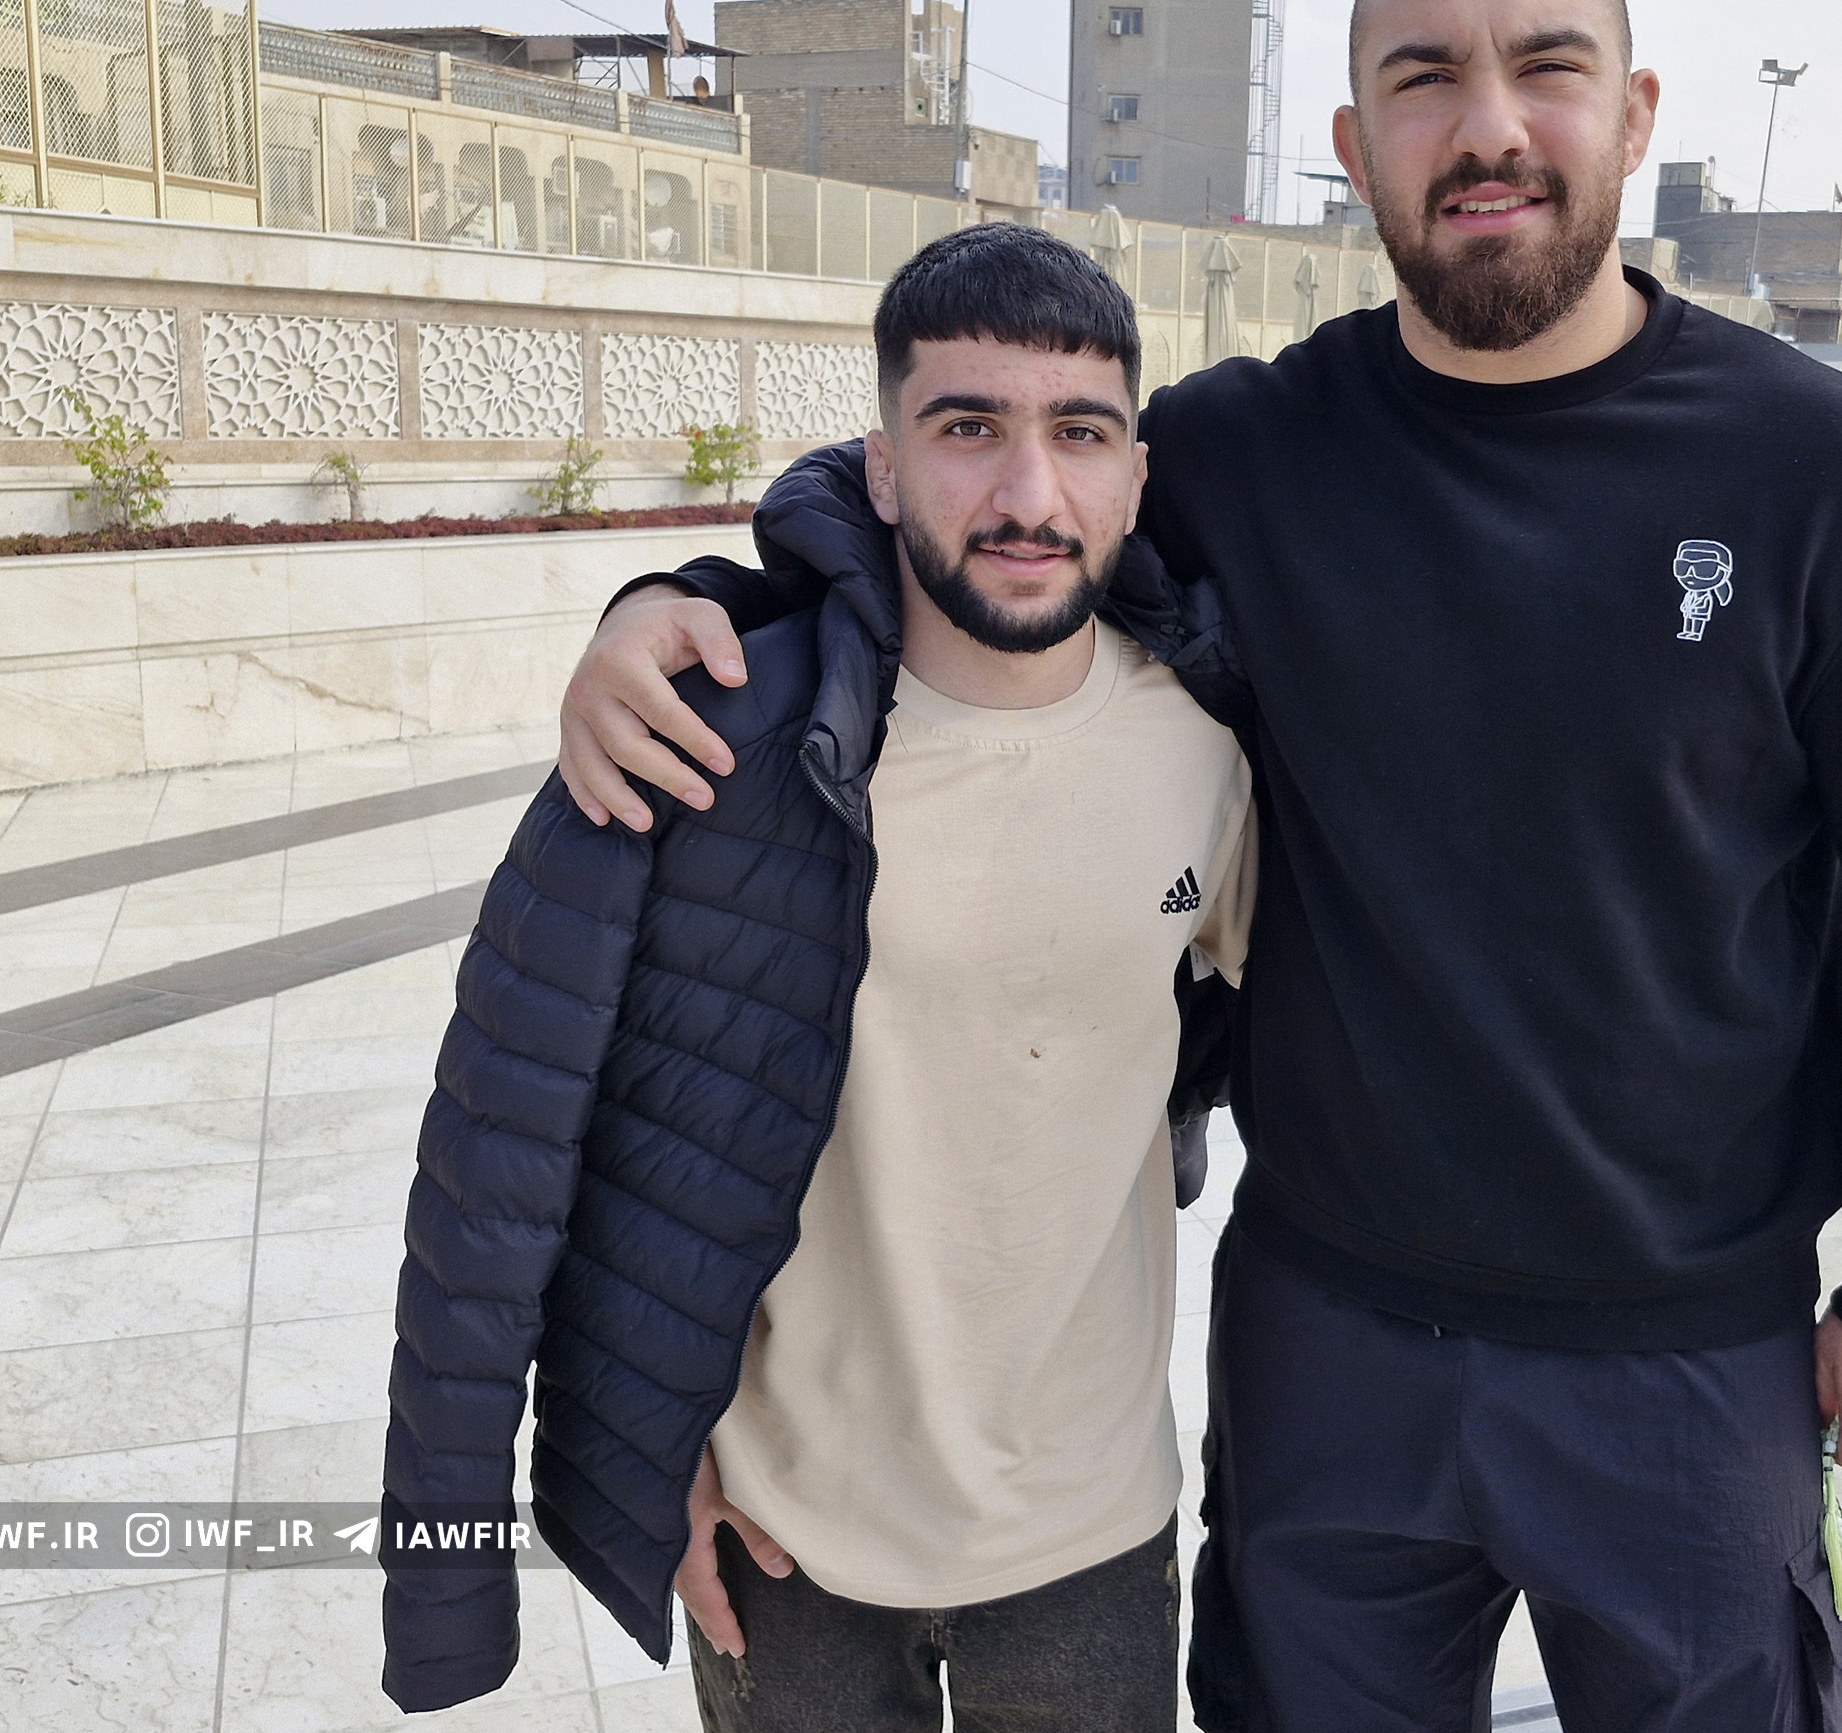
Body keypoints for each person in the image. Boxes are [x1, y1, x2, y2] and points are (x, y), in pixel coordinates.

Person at [551, 0, 1842, 1732]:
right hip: (1333, 1346)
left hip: (1685, 1354)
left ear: (1636, 111)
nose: (1488, 125)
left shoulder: (1833, 477)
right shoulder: (1251, 452)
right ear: (1353, 143)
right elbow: (985, 505)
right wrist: (693, 600)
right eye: (1424, 79)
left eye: (1546, 68)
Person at [379, 225, 1258, 1732]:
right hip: (781, 1537)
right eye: (968, 428)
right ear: (883, 469)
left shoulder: (1210, 751)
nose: (1029, 494)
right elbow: (535, 1139)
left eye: (1079, 433)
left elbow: (1282, 1025)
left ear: (1134, 475)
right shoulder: (714, 744)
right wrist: (647, 1446)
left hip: (1093, 1533)